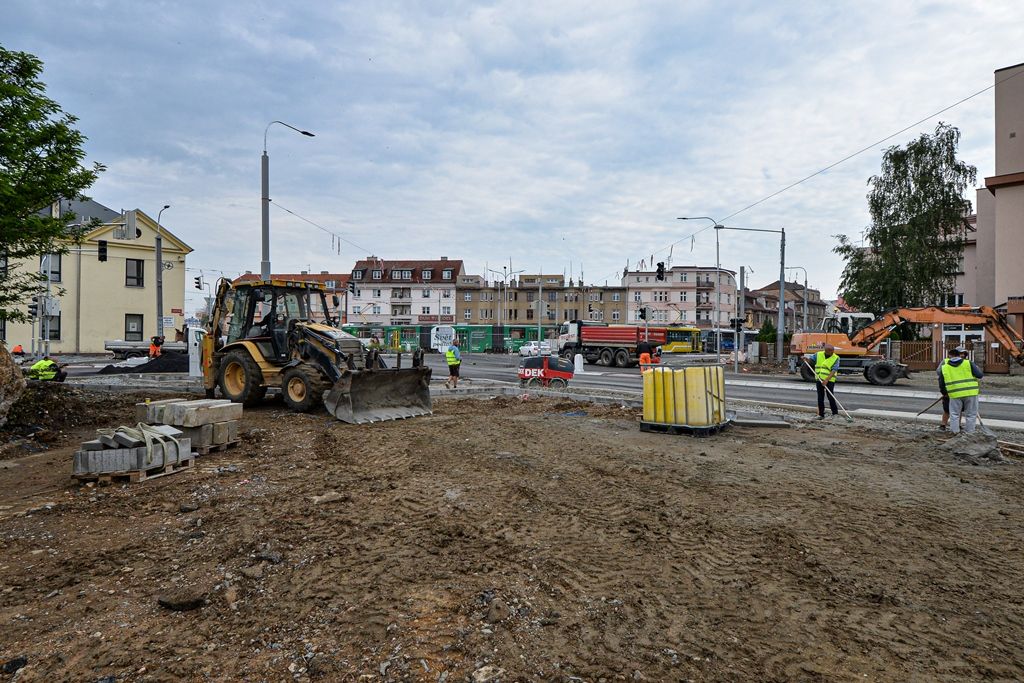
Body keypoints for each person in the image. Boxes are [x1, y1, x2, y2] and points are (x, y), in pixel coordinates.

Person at [938, 346, 983, 434]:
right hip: (970, 393)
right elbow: (979, 375)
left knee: (954, 414)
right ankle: (970, 433)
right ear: (959, 355)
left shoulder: (945, 366)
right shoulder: (968, 363)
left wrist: (944, 392)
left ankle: (955, 433)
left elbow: (941, 381)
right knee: (971, 415)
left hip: (954, 394)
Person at [811, 344, 840, 420]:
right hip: (819, 379)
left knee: (830, 396)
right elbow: (811, 360)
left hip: (830, 380)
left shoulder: (836, 358)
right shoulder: (818, 354)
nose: (832, 353)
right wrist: (805, 359)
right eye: (830, 351)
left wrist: (826, 380)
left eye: (833, 351)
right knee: (820, 397)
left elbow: (834, 370)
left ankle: (835, 413)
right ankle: (821, 414)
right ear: (826, 351)